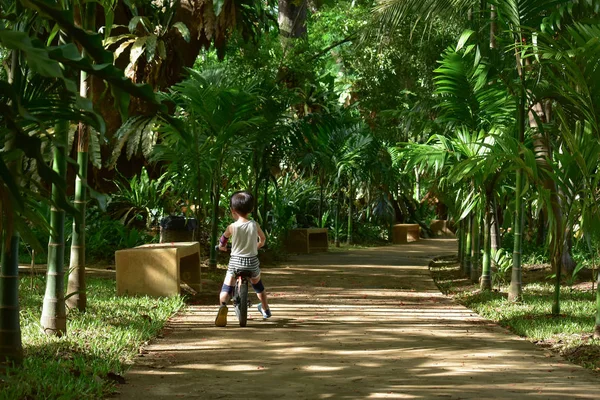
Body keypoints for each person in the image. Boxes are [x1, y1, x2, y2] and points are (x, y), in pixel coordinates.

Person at [215, 191, 271, 327]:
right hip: (252, 262)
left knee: (226, 288)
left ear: (232, 210)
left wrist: (221, 247)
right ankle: (265, 309)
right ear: (251, 210)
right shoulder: (254, 225)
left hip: (235, 262)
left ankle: (223, 306)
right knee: (259, 288)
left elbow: (223, 240)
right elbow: (263, 239)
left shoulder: (232, 227)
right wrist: (257, 246)